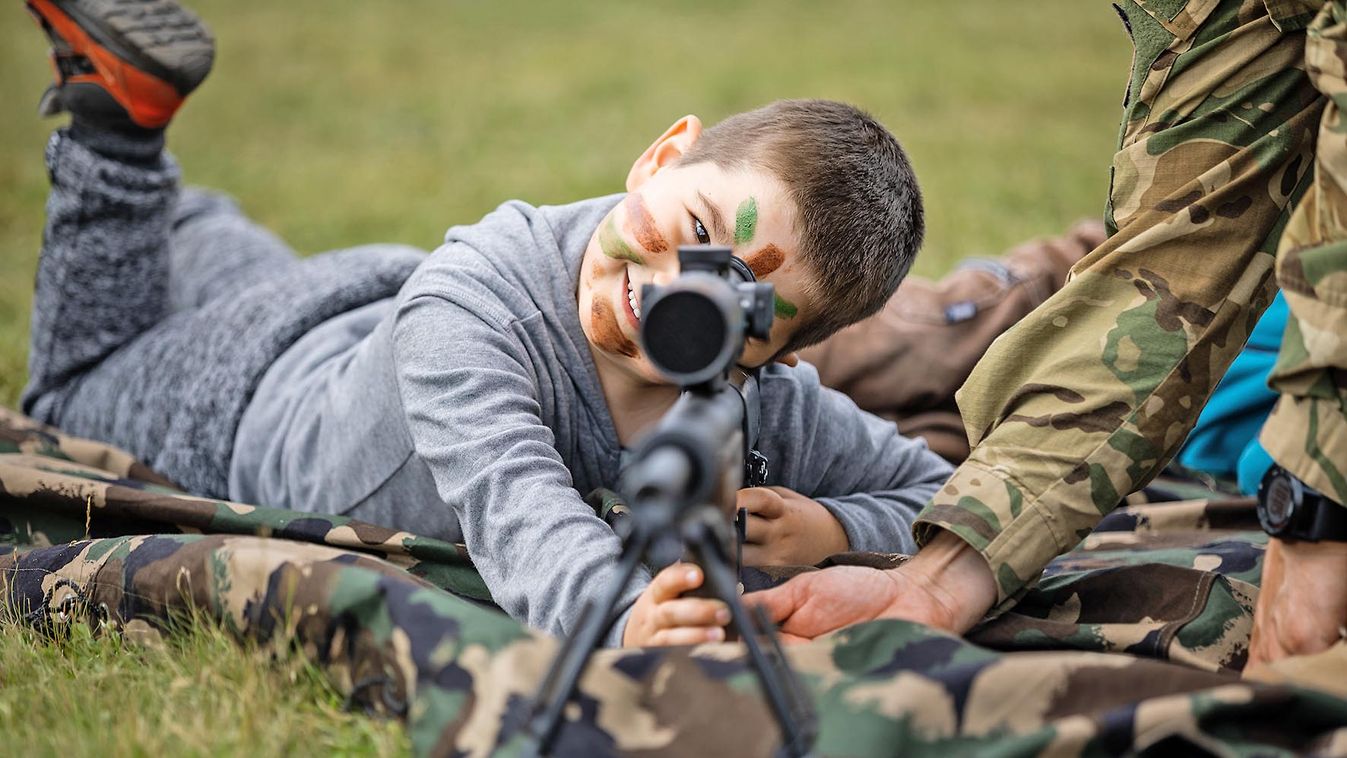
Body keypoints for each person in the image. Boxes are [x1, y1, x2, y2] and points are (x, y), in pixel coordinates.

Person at [20, 0, 950, 648]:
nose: (677, 290)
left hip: (357, 318)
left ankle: (191, 218)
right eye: (699, 230)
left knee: (213, 249)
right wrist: (625, 617)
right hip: (245, 390)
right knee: (74, 383)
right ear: (659, 156)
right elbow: (521, 514)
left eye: (740, 306)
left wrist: (833, 526)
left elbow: (938, 495)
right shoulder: (470, 308)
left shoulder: (755, 404)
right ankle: (122, 133)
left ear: (775, 355)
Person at [752, 0, 1347, 666]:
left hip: (1179, 331)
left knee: (891, 380)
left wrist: (1314, 515)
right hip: (1092, 306)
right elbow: (1181, 252)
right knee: (894, 350)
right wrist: (940, 579)